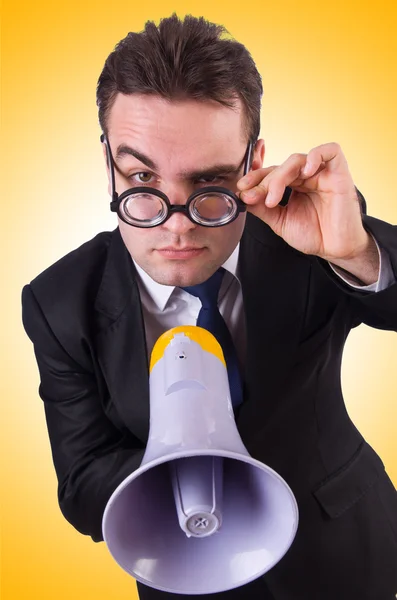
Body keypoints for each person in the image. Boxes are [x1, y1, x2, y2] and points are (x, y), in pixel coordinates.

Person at [21, 13, 397, 600]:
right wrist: (183, 465)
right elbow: (81, 483)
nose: (175, 226)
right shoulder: (58, 303)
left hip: (350, 549)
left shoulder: (310, 232)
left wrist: (356, 252)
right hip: (184, 567)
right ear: (109, 168)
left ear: (253, 164)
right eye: (142, 178)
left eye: (210, 184)